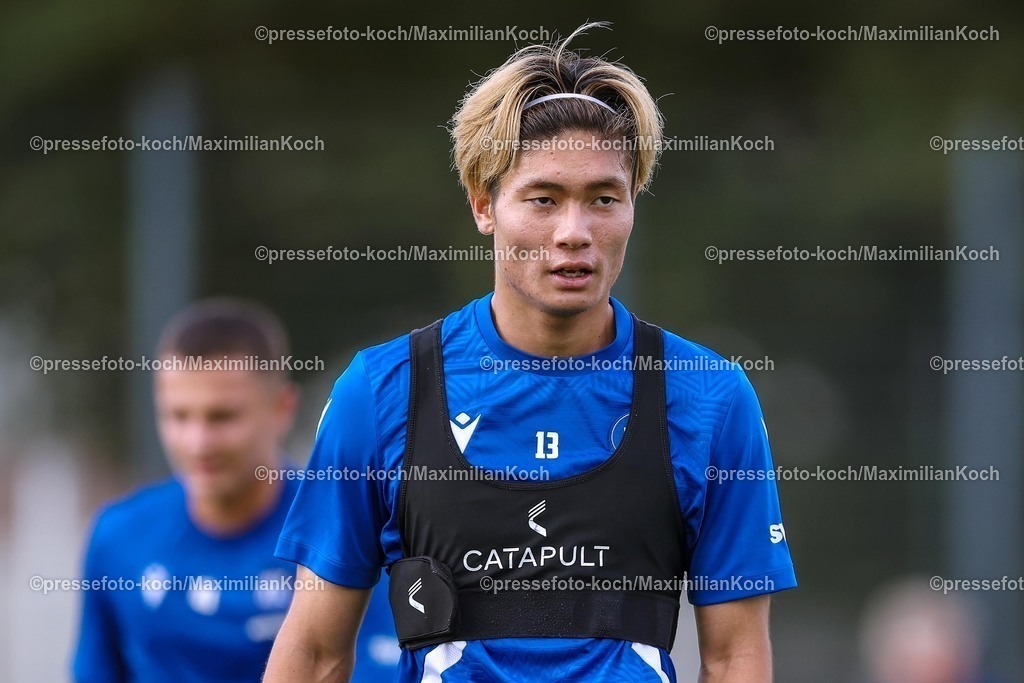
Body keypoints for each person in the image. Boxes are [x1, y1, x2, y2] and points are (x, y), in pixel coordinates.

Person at [265, 23, 796, 683]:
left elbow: (734, 656)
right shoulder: (381, 391)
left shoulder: (709, 398)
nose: (574, 233)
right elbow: (315, 652)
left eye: (604, 199)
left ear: (634, 205)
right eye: (543, 200)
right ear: (484, 205)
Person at [72, 298, 399, 682]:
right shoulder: (117, 536)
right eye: (178, 416)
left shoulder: (348, 530)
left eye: (221, 417)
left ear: (282, 408)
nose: (198, 442)